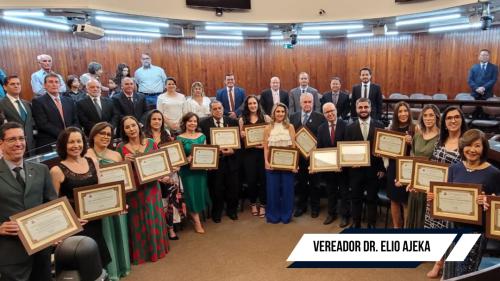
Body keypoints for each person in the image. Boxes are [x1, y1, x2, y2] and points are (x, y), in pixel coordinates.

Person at [431, 129, 500, 279]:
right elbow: (446, 195)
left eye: (477, 146)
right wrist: (435, 198)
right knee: (450, 269)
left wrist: (488, 201)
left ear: (484, 148)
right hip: (453, 226)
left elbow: (496, 204)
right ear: (463, 147)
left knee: (465, 273)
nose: (472, 150)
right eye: (468, 145)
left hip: (475, 231)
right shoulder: (454, 168)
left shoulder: (493, 173)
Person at [0, 122, 57, 281]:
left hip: (41, 251)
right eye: (12, 139)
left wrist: (63, 226)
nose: (18, 143)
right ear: (1, 143)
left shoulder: (41, 170)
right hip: (9, 255)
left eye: (21, 138)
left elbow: (52, 204)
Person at [49, 127, 111, 268]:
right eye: (71, 142)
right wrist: (72, 221)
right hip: (75, 225)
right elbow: (54, 205)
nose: (76, 145)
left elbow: (101, 190)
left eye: (79, 141)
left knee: (98, 264)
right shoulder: (56, 170)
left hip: (95, 220)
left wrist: (116, 204)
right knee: (81, 266)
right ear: (63, 145)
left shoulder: (92, 162)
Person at [116, 116, 169, 264]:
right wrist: (124, 161)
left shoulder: (151, 142)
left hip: (151, 187)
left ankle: (157, 249)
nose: (131, 129)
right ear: (124, 131)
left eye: (133, 125)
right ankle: (142, 254)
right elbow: (117, 171)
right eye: (127, 127)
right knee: (137, 220)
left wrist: (164, 175)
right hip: (134, 189)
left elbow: (161, 163)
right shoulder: (120, 147)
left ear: (139, 126)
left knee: (153, 216)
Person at [424, 106, 467, 279]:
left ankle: (449, 269)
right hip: (436, 194)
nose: (453, 120)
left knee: (453, 232)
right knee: (437, 230)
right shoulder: (440, 141)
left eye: (456, 117)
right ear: (445, 122)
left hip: (455, 197)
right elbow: (431, 167)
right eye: (449, 118)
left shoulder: (467, 143)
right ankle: (438, 262)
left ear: (462, 120)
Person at [85, 122, 131, 280]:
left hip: (116, 200)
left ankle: (122, 267)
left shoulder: (116, 155)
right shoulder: (86, 154)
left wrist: (123, 199)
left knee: (119, 231)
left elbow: (123, 180)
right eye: (102, 133)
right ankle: (111, 271)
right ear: (93, 135)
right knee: (106, 234)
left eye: (108, 134)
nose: (105, 137)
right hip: (99, 202)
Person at [143, 110, 185, 239]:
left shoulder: (167, 134)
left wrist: (178, 165)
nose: (157, 122)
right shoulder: (144, 137)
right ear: (149, 121)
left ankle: (171, 229)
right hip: (154, 176)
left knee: (170, 201)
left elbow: (174, 154)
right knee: (159, 203)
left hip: (170, 175)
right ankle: (160, 229)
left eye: (159, 119)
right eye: (154, 119)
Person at [345, 98, 385, 228]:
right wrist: (350, 163)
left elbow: (383, 150)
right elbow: (346, 150)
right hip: (355, 171)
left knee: (372, 199)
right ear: (356, 109)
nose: (363, 110)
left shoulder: (379, 125)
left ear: (370, 108)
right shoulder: (349, 128)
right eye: (360, 107)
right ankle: (356, 223)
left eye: (365, 107)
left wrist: (382, 169)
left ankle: (371, 224)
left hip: (374, 170)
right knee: (355, 198)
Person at [199, 100, 240, 222]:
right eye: (215, 109)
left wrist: (233, 150)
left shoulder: (232, 122)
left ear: (223, 108)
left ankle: (232, 211)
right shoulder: (204, 124)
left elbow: (239, 142)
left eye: (220, 108)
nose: (218, 110)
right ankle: (217, 212)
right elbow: (203, 144)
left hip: (231, 160)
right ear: (211, 111)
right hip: (215, 162)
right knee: (216, 188)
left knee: (232, 187)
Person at [290, 93, 325, 218]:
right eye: (304, 102)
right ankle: (301, 206)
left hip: (314, 158)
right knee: (300, 183)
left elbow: (323, 137)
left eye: (309, 102)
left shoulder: (320, 117)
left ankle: (315, 207)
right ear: (300, 103)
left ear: (313, 103)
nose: (307, 104)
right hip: (299, 158)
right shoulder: (293, 117)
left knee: (315, 184)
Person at [405, 104, 440, 229]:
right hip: (416, 186)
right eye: (425, 115)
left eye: (431, 115)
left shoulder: (441, 138)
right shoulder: (418, 135)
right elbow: (412, 157)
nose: (428, 118)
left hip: (430, 188)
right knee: (413, 219)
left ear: (436, 117)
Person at [177, 112, 211, 233]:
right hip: (187, 171)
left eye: (195, 121)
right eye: (190, 121)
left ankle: (194, 216)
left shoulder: (202, 136)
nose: (192, 123)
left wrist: (209, 163)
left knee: (199, 193)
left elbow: (206, 152)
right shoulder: (179, 138)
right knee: (191, 194)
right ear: (185, 123)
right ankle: (197, 222)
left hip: (200, 171)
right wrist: (187, 159)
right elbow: (178, 159)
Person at [263, 103, 297, 223]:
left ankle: (286, 215)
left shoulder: (290, 127)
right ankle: (273, 215)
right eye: (278, 111)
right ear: (274, 113)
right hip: (272, 165)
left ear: (285, 113)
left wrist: (294, 165)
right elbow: (266, 148)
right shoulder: (267, 128)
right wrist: (266, 162)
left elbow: (293, 146)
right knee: (273, 191)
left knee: (287, 191)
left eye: (282, 111)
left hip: (287, 165)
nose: (280, 114)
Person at [316, 102, 348, 227]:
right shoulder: (321, 128)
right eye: (327, 112)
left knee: (345, 193)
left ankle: (345, 215)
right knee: (331, 192)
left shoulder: (346, 125)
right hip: (329, 168)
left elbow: (348, 148)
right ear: (324, 114)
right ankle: (331, 213)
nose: (330, 114)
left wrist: (342, 164)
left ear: (336, 110)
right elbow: (319, 149)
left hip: (343, 168)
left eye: (332, 110)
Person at [239, 95, 271, 217]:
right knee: (251, 180)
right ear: (247, 105)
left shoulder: (266, 118)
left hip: (263, 153)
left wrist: (265, 145)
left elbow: (271, 136)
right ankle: (253, 203)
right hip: (248, 154)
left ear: (258, 104)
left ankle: (263, 205)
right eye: (250, 103)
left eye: (254, 103)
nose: (252, 105)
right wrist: (241, 135)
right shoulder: (242, 119)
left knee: (263, 180)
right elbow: (239, 139)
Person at [385, 101, 414, 228]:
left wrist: (411, 142)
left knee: (405, 201)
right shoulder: (391, 129)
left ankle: (407, 229)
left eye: (405, 111)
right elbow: (385, 149)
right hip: (393, 167)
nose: (403, 114)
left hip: (408, 168)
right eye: (400, 111)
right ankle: (397, 228)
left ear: (409, 112)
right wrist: (381, 151)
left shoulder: (415, 128)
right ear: (396, 114)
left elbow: (419, 150)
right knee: (394, 200)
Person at [32, 74, 79, 152]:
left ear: (60, 85)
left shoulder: (69, 100)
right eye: (50, 82)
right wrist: (64, 135)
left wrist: (71, 134)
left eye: (56, 82)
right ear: (44, 85)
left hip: (71, 140)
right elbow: (43, 124)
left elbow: (75, 120)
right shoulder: (38, 101)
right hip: (51, 142)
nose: (54, 84)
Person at [0, 76, 36, 155]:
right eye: (12, 84)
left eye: (18, 84)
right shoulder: (1, 104)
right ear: (5, 87)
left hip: (31, 147)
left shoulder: (27, 104)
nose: (16, 86)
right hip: (12, 148)